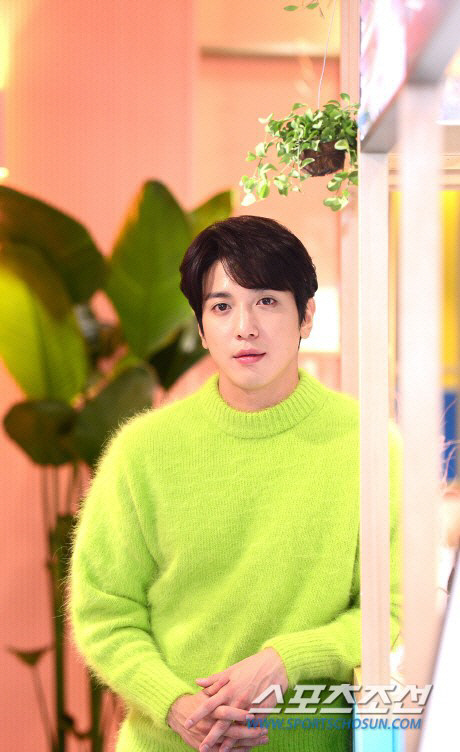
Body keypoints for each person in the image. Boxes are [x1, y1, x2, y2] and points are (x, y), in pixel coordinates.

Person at [68, 216, 402, 752]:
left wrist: (287, 659)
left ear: (306, 315)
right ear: (202, 329)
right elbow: (105, 614)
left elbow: (394, 608)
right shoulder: (142, 451)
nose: (245, 327)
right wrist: (176, 706)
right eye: (222, 306)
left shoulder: (368, 444)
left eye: (266, 301)